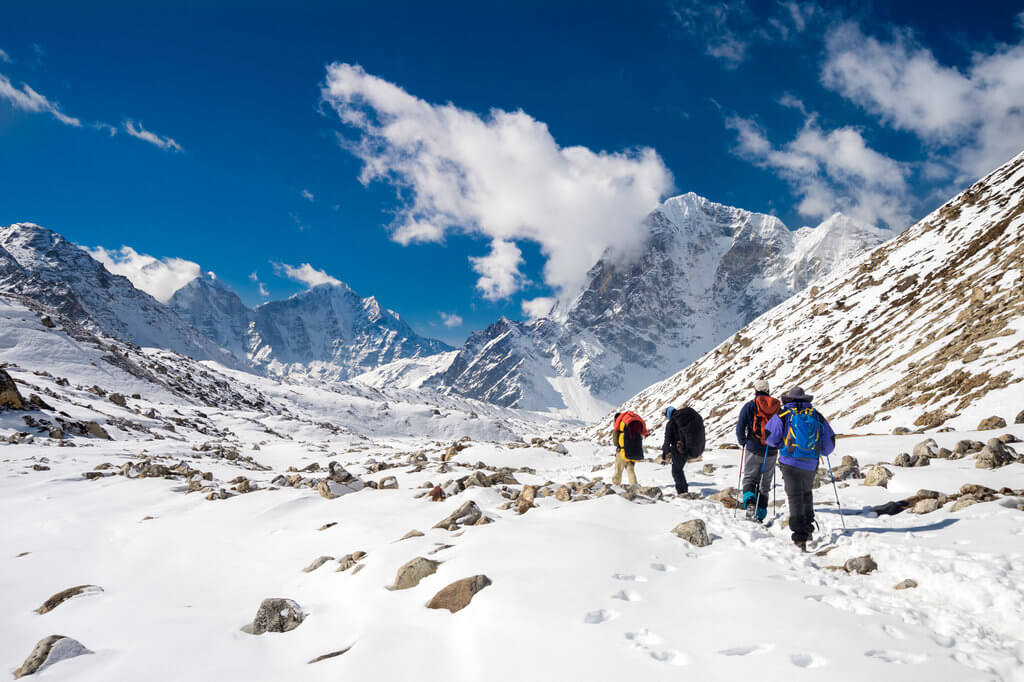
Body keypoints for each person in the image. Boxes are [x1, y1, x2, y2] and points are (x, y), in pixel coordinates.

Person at [765, 387, 836, 550]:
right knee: (806, 493)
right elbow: (829, 442)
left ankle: (800, 538)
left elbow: (769, 437)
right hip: (810, 463)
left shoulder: (784, 414)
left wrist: (780, 445)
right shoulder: (816, 415)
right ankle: (808, 527)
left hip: (789, 462)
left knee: (794, 496)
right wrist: (820, 451)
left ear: (789, 399)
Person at [735, 380, 781, 522]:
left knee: (750, 478)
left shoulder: (750, 406)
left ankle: (749, 503)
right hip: (771, 450)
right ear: (768, 390)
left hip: (753, 448)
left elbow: (740, 428)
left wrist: (744, 442)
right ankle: (760, 514)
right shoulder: (777, 407)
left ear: (755, 390)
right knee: (765, 483)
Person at [661, 404, 706, 494]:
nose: (666, 418)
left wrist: (664, 453)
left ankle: (682, 492)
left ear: (668, 414)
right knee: (679, 470)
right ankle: (684, 490)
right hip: (689, 449)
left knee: (676, 471)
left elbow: (667, 441)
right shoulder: (683, 419)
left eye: (665, 415)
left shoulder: (671, 423)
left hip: (679, 450)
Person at [612, 411, 648, 487]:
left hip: (621, 451)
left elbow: (615, 442)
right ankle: (634, 486)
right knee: (630, 469)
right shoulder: (628, 422)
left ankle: (615, 486)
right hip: (632, 450)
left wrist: (620, 445)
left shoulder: (619, 425)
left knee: (618, 470)